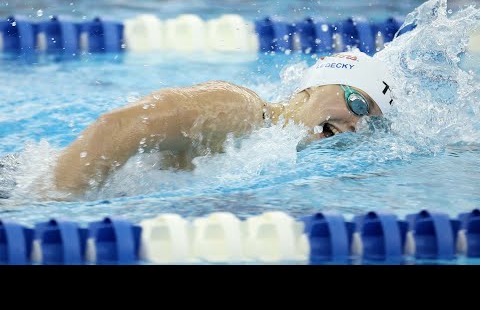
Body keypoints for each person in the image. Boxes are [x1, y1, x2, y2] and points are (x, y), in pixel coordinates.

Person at [52, 51, 394, 195]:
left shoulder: (267, 152)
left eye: (370, 124)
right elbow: (118, 127)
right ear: (313, 87)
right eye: (358, 103)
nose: (356, 124)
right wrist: (51, 204)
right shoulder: (240, 109)